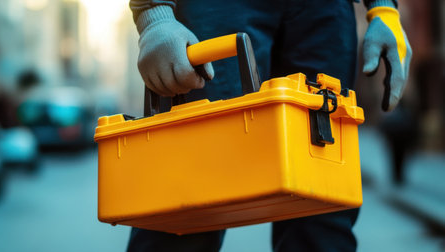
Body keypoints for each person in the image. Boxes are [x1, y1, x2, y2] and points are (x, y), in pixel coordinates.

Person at [126, 0, 412, 251]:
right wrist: (154, 13)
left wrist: (383, 7)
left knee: (322, 211)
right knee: (186, 208)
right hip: (215, 7)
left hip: (323, 12)